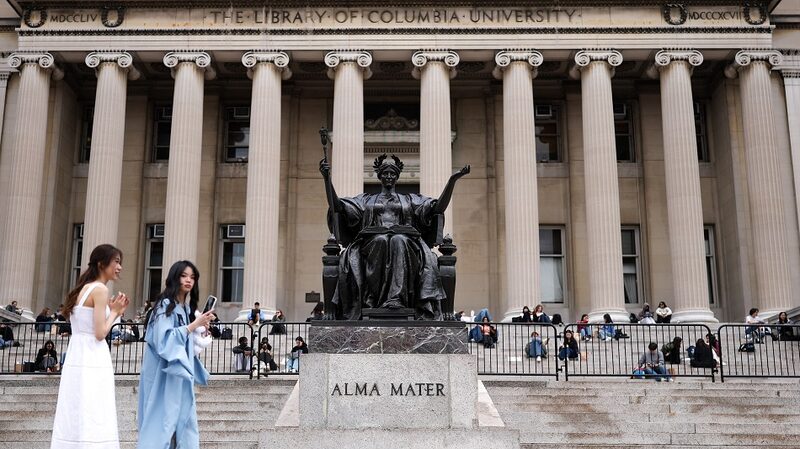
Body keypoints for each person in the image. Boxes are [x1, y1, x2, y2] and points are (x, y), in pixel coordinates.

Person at [320, 154, 469, 320]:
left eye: (392, 174)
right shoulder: (366, 200)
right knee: (381, 240)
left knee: (398, 240)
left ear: (397, 177)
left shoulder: (409, 200)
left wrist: (452, 181)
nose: (389, 177)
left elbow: (437, 208)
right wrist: (327, 179)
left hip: (406, 243)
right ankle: (373, 299)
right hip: (372, 243)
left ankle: (395, 299)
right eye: (385, 173)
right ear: (379, 176)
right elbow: (338, 206)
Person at [51, 244, 130, 449]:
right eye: (116, 262)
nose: (119, 267)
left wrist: (111, 311)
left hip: (77, 355)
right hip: (93, 357)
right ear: (102, 263)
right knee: (95, 409)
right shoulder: (100, 289)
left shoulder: (84, 288)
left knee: (76, 411)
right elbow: (100, 333)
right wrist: (116, 312)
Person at [137, 260, 216, 449]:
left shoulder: (185, 308)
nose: (189, 280)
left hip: (178, 374)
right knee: (162, 422)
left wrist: (199, 329)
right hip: (162, 374)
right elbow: (163, 340)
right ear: (175, 277)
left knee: (184, 421)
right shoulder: (165, 305)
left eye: (192, 277)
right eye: (184, 275)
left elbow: (184, 342)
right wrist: (194, 325)